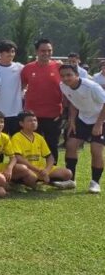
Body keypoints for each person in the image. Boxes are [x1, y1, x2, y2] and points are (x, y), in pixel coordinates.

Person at [59, 64, 105, 193]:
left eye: (69, 75)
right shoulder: (63, 86)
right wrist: (72, 120)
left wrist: (99, 124)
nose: (66, 78)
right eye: (62, 76)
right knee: (71, 145)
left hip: (101, 119)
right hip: (83, 118)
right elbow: (73, 102)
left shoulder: (91, 87)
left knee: (96, 150)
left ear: (77, 75)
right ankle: (71, 180)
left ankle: (95, 183)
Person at [21, 39, 63, 164]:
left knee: (52, 143)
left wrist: (63, 112)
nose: (46, 53)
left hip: (53, 115)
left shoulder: (59, 67)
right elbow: (23, 86)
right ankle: (31, 171)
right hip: (32, 115)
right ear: (36, 52)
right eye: (43, 50)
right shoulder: (27, 68)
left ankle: (52, 170)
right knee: (31, 143)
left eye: (49, 50)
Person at [12, 111, 75, 190]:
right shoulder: (16, 137)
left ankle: (47, 182)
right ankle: (22, 183)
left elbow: (50, 157)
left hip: (41, 169)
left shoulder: (39, 137)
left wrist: (46, 170)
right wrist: (37, 170)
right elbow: (18, 158)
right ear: (21, 123)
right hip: (29, 169)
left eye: (35, 120)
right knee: (31, 178)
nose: (33, 123)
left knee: (67, 173)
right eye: (30, 121)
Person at [0, 40, 24, 136]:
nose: (11, 54)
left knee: (15, 143)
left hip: (16, 113)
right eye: (7, 51)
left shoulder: (20, 67)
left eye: (13, 51)